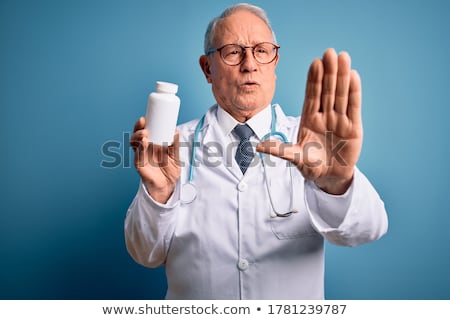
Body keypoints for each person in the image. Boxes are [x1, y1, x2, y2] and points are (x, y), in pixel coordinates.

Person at [125, 3, 388, 299]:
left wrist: (336, 181)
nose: (249, 64)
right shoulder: (172, 146)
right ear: (207, 68)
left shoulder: (312, 143)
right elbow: (144, 253)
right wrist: (158, 195)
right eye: (233, 52)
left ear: (275, 62)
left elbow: (368, 229)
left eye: (262, 51)